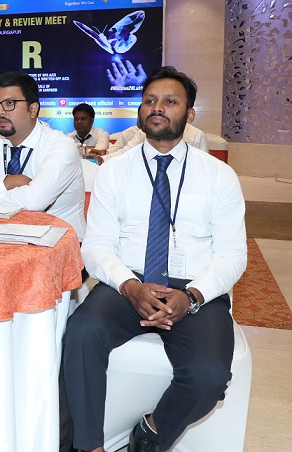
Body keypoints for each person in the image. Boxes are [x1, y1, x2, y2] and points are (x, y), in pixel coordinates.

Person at [62, 67, 247, 452]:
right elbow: (96, 246)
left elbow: (233, 254)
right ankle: (89, 446)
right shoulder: (114, 172)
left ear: (189, 115)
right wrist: (130, 287)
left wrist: (192, 296)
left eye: (170, 101)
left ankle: (152, 431)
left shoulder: (219, 176)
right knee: (81, 334)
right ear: (140, 111)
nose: (157, 107)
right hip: (127, 283)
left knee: (210, 376)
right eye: (149, 101)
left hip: (195, 289)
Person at [0, 71, 86, 239]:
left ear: (33, 109)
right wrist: (10, 181)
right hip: (3, 236)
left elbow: (35, 201)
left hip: (59, 241)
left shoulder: (61, 145)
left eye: (9, 103)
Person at [90, 122, 209, 163]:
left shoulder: (197, 135)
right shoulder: (144, 132)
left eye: (170, 102)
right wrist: (102, 159)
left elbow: (203, 169)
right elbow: (126, 152)